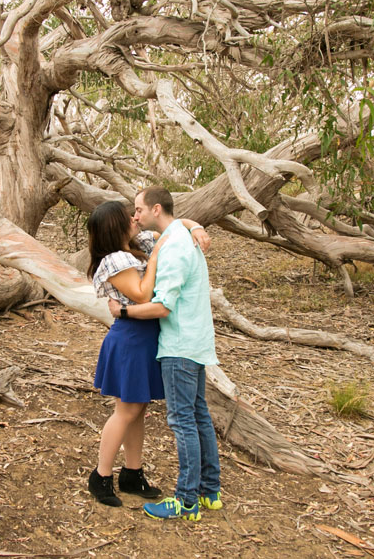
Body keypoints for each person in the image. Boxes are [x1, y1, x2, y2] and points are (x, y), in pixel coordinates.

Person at [108, 185, 222, 522]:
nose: (135, 216)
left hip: (179, 345)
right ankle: (209, 492)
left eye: (139, 209)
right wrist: (195, 224)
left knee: (183, 421)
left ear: (156, 209)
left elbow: (162, 307)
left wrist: (123, 312)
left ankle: (186, 501)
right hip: (196, 340)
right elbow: (180, 222)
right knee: (198, 415)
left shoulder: (172, 248)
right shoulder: (180, 236)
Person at [85, 200, 210, 507]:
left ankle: (132, 473)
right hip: (130, 339)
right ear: (116, 226)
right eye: (128, 217)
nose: (135, 219)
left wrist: (196, 226)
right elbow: (141, 294)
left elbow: (174, 226)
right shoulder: (114, 260)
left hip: (147, 337)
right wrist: (155, 258)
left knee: (138, 410)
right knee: (126, 411)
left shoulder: (136, 244)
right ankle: (101, 476)